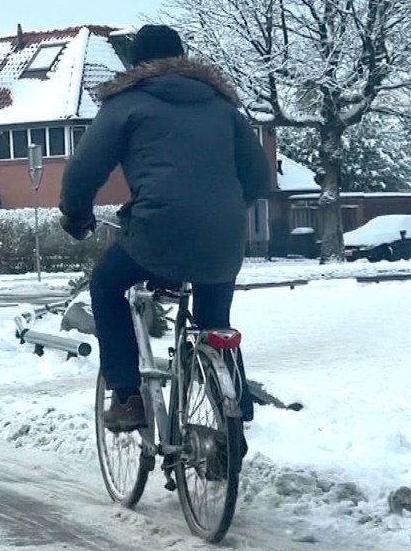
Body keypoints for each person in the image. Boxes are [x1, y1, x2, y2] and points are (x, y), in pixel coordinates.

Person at [59, 25, 271, 432]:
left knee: (105, 285)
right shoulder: (222, 106)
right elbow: (258, 177)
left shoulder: (127, 103)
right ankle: (234, 409)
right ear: (183, 57)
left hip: (157, 231)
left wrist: (77, 216)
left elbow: (83, 172)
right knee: (214, 322)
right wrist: (223, 210)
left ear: (135, 62)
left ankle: (126, 396)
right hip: (224, 237)